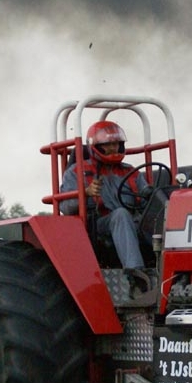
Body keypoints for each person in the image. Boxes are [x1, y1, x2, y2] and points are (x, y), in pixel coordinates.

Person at [59, 120, 152, 294]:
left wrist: (152, 197)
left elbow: (147, 200)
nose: (113, 148)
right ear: (95, 146)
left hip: (133, 220)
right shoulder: (77, 171)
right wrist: (85, 193)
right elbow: (65, 206)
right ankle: (136, 275)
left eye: (116, 144)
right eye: (107, 144)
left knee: (161, 214)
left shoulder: (131, 171)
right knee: (121, 215)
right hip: (98, 223)